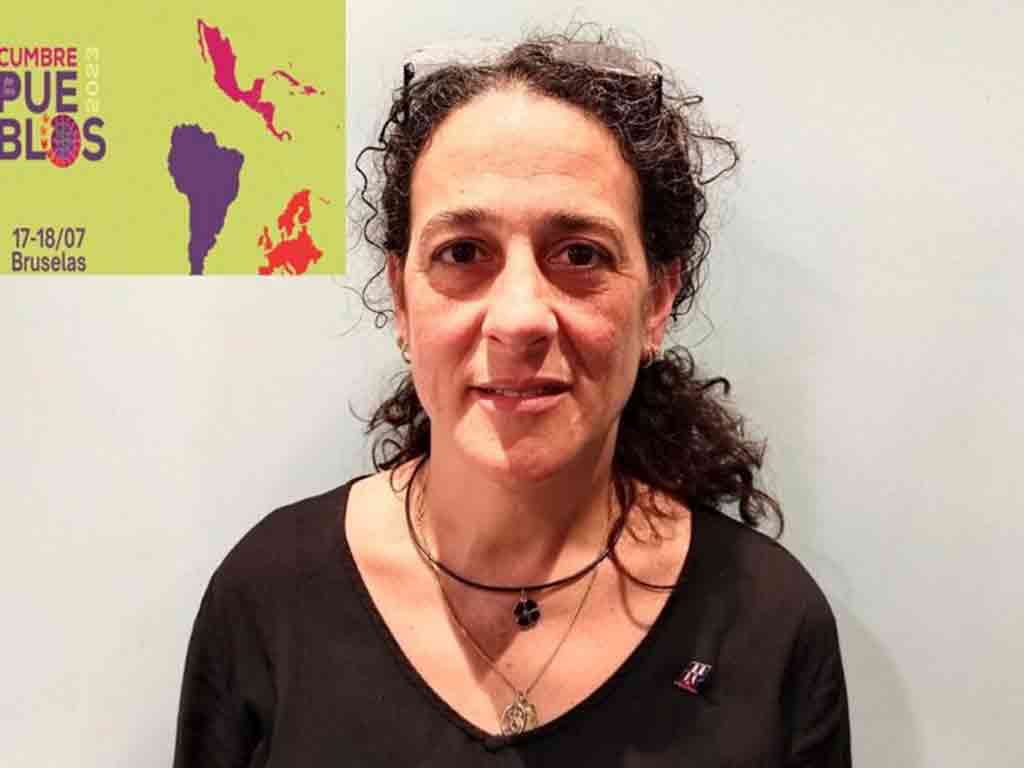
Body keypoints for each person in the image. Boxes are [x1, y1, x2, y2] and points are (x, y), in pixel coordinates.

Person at [173, 29, 851, 767]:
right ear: (401, 299)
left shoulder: (767, 623)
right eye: (463, 253)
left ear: (657, 301)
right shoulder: (270, 597)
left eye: (581, 254)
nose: (520, 317)